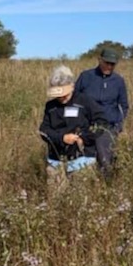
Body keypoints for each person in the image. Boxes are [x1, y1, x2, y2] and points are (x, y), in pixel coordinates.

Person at [40, 65, 107, 195]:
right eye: (58, 95)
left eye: (65, 94)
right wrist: (62, 138)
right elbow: (44, 130)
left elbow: (101, 123)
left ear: (72, 86)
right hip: (56, 161)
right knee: (55, 197)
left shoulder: (85, 101)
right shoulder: (50, 106)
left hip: (82, 160)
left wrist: (84, 137)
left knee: (81, 198)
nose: (62, 98)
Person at [75, 48, 129, 180]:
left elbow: (124, 105)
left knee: (105, 160)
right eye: (107, 63)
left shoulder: (118, 81)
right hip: (86, 125)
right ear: (100, 60)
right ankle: (85, 185)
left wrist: (118, 125)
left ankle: (106, 187)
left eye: (113, 64)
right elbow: (74, 99)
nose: (109, 66)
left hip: (107, 127)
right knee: (83, 158)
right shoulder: (86, 77)